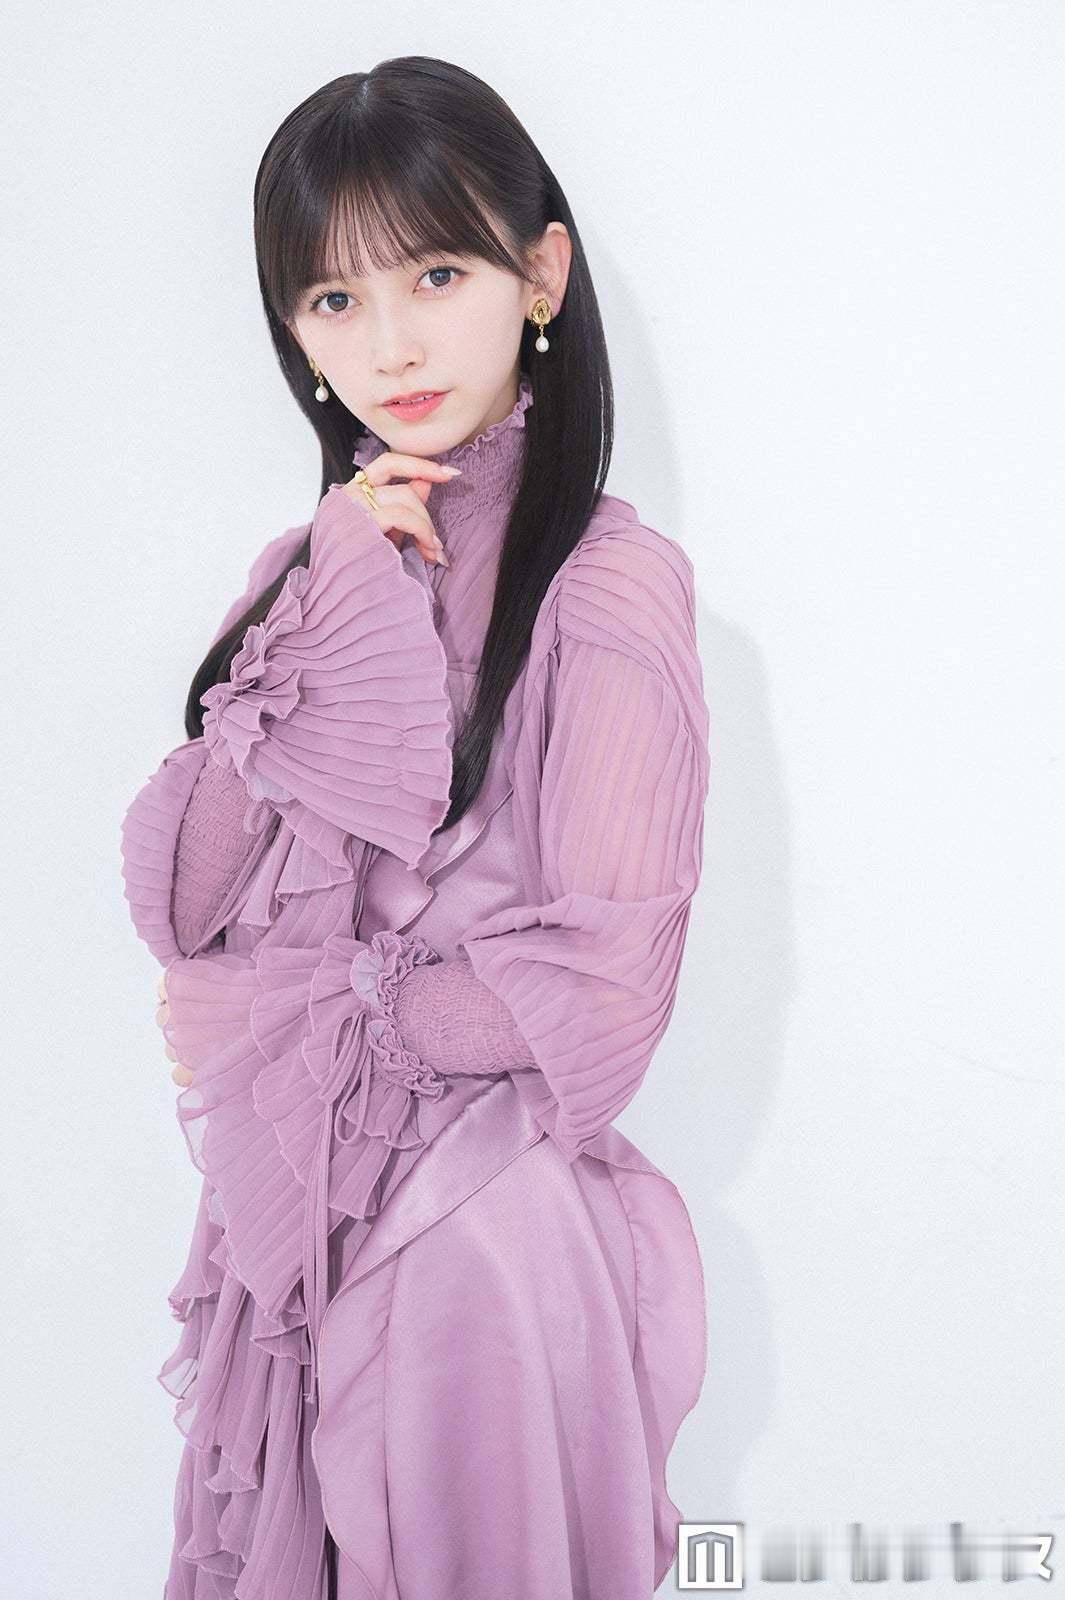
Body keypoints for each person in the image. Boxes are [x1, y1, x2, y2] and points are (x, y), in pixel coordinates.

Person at [120, 55, 712, 1600]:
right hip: (292, 1243)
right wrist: (323, 600)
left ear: (539, 275)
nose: (386, 344)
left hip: (477, 1247)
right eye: (333, 299)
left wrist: (298, 1019)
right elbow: (185, 907)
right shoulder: (309, 568)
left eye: (435, 274)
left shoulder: (605, 587)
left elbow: (599, 994)